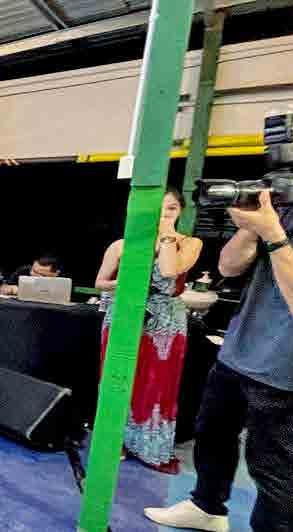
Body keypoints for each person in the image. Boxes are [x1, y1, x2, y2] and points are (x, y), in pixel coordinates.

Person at [145, 189, 293, 531]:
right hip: (238, 350)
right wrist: (251, 226)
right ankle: (207, 507)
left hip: (285, 367)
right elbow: (228, 266)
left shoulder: (277, 225)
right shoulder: (284, 210)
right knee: (212, 433)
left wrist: (273, 233)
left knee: (275, 468)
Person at [95, 188, 203, 474]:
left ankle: (149, 446)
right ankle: (114, 440)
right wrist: (125, 283)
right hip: (125, 313)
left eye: (171, 208)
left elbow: (168, 270)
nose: (164, 213)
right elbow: (100, 282)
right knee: (117, 378)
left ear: (180, 211)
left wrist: (166, 235)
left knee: (157, 383)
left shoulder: (190, 243)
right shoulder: (122, 244)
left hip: (165, 320)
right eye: (158, 207)